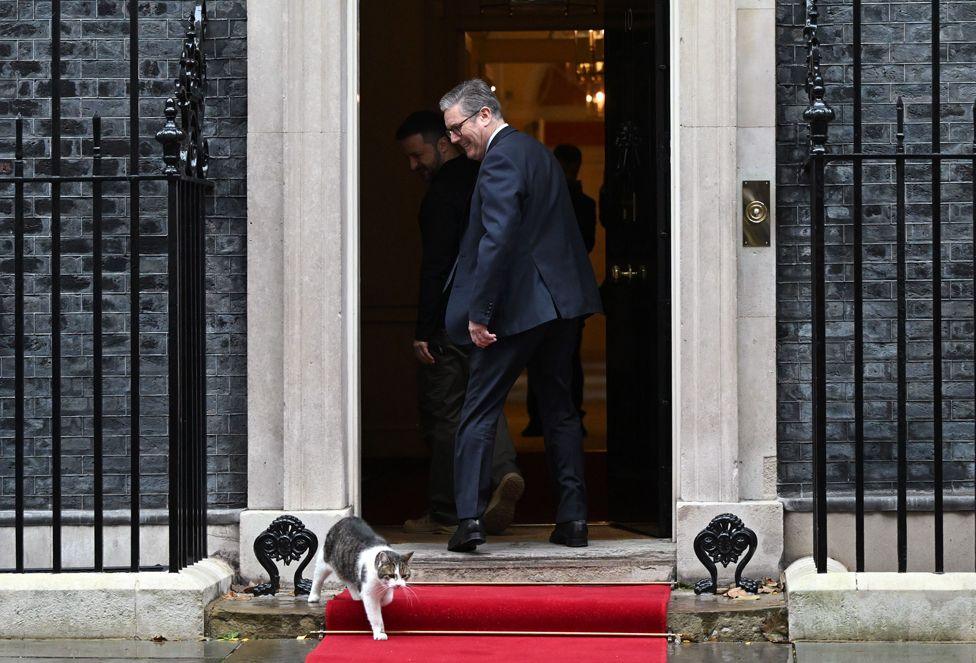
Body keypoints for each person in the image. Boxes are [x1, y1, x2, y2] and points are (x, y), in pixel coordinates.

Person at [438, 80, 602, 553]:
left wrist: (480, 312)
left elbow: (499, 236)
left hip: (518, 311)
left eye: (457, 128)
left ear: (485, 115)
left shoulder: (501, 158)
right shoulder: (537, 153)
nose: (452, 139)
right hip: (562, 306)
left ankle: (468, 519)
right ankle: (573, 521)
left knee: (478, 411)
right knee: (561, 411)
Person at [395, 110, 524, 536]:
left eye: (417, 155)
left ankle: (447, 509)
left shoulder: (440, 195)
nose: (413, 166)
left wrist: (422, 329)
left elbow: (434, 267)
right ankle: (503, 472)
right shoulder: (488, 180)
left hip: (451, 318)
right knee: (486, 399)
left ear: (444, 144)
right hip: (492, 311)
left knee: (447, 410)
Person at [522, 144, 596, 438]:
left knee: (567, 359)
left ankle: (570, 413)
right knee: (536, 355)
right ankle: (539, 417)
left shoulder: (583, 203)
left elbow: (586, 243)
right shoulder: (539, 201)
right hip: (542, 290)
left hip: (568, 292)